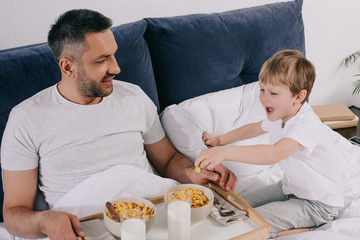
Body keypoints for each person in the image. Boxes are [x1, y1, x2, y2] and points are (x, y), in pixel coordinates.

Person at [0, 9, 236, 239]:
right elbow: (14, 214)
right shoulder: (27, 118)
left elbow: (167, 160)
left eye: (113, 54)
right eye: (102, 60)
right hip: (86, 225)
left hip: (152, 213)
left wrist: (193, 174)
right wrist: (44, 221)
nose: (116, 68)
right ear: (68, 67)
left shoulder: (133, 96)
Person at [195, 49, 344, 238]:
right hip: (291, 188)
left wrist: (224, 152)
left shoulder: (305, 124)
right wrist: (219, 140)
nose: (264, 98)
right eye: (262, 89)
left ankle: (310, 227)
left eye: (273, 92)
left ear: (298, 97)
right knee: (235, 205)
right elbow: (254, 128)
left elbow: (274, 153)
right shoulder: (280, 114)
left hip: (319, 204)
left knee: (252, 223)